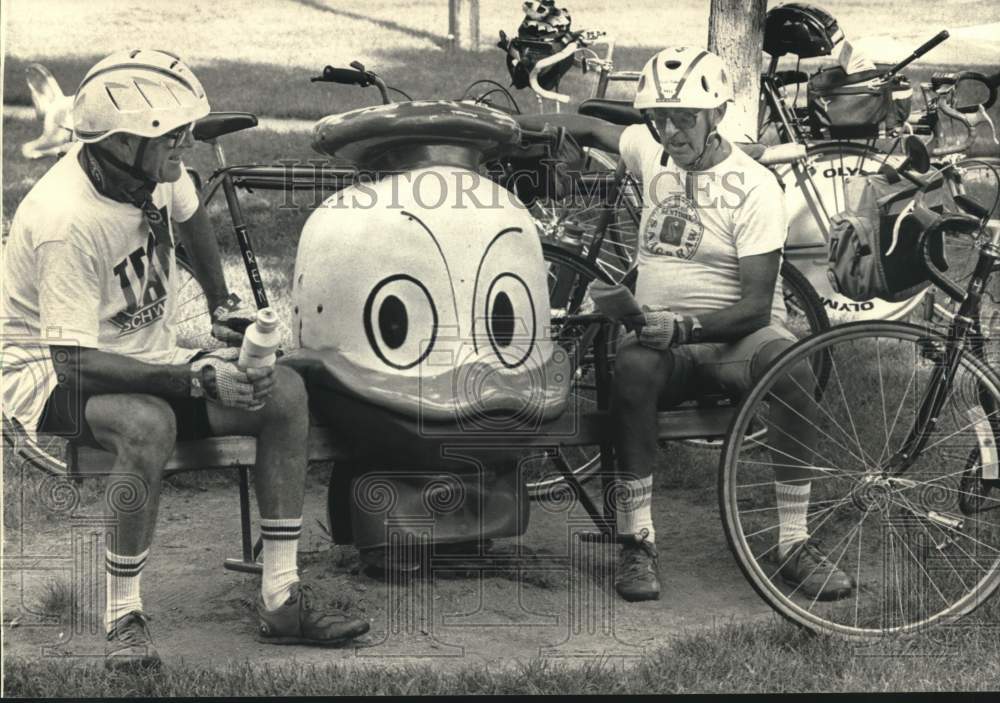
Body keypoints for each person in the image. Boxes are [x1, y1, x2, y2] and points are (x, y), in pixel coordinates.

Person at [1, 49, 369, 670]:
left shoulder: (153, 170)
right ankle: (124, 617)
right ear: (121, 142)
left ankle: (281, 599)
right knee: (149, 422)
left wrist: (221, 303)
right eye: (171, 135)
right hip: (42, 378)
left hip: (141, 354)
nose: (185, 145)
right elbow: (73, 363)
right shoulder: (67, 220)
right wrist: (199, 376)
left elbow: (192, 209)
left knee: (282, 393)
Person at [516, 46, 855, 603]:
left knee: (791, 365)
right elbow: (585, 125)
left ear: (716, 114)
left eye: (684, 118)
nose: (670, 131)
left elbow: (754, 307)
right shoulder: (652, 151)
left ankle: (794, 543)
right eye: (660, 117)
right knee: (631, 368)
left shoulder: (754, 187)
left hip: (733, 342)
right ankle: (636, 541)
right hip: (664, 347)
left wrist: (683, 327)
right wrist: (504, 127)